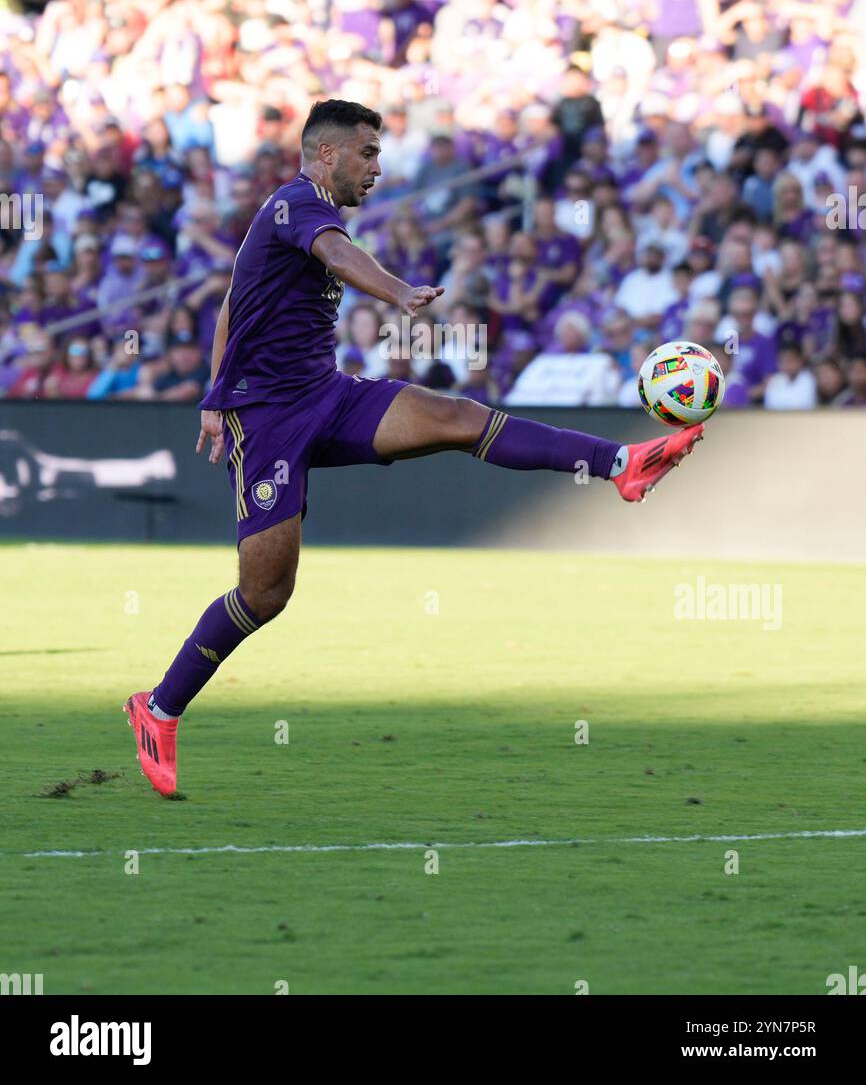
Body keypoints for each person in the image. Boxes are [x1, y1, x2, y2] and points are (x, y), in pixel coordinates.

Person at [122, 99, 705, 795]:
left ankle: (623, 465)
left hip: (328, 395)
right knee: (267, 593)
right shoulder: (294, 204)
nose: (377, 168)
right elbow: (333, 256)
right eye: (368, 154)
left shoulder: (299, 220)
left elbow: (230, 306)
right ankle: (158, 708)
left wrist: (211, 391)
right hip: (268, 420)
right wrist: (395, 294)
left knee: (457, 417)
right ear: (328, 153)